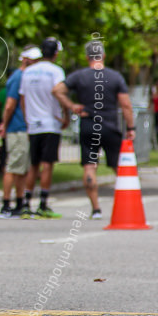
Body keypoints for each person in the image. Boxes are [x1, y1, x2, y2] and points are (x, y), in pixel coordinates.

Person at [52, 40, 134, 220]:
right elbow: (126, 105)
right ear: (103, 55)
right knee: (118, 166)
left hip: (88, 124)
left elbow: (57, 90)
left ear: (87, 56)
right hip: (110, 126)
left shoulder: (80, 76)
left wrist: (72, 105)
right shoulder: (115, 77)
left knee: (90, 166)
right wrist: (130, 127)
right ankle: (129, 203)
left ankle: (96, 209)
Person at [19, 37, 68, 219]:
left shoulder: (28, 72)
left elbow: (22, 99)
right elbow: (60, 93)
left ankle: (25, 204)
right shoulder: (56, 71)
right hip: (51, 123)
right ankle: (43, 204)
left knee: (33, 165)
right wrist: (66, 114)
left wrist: (27, 119)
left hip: (33, 124)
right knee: (47, 164)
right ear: (55, 53)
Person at [0, 45, 41, 218]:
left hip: (24, 128)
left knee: (22, 168)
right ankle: (6, 204)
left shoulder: (26, 76)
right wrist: (4, 125)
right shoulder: (18, 77)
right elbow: (9, 104)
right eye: (34, 60)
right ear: (26, 59)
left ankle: (20, 202)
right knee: (13, 167)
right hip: (17, 128)